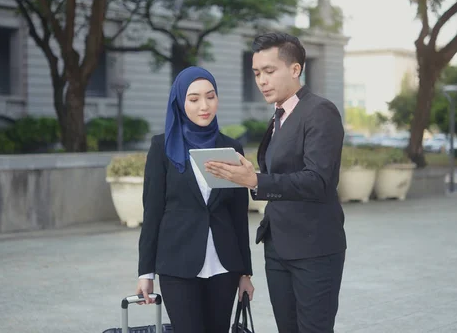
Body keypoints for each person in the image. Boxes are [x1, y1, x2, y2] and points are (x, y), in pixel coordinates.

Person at [205, 33, 346, 333]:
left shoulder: (320, 111)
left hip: (314, 249)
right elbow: (282, 171)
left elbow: (319, 181)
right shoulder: (278, 115)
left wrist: (257, 179)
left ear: (295, 70)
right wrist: (249, 173)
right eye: (257, 73)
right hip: (278, 247)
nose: (261, 81)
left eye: (269, 71)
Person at [136, 66, 254, 333]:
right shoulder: (161, 148)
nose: (204, 105)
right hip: (177, 265)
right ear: (180, 101)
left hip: (224, 266)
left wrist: (245, 272)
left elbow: (238, 214)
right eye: (194, 98)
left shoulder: (231, 148)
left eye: (210, 96)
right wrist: (145, 272)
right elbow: (152, 212)